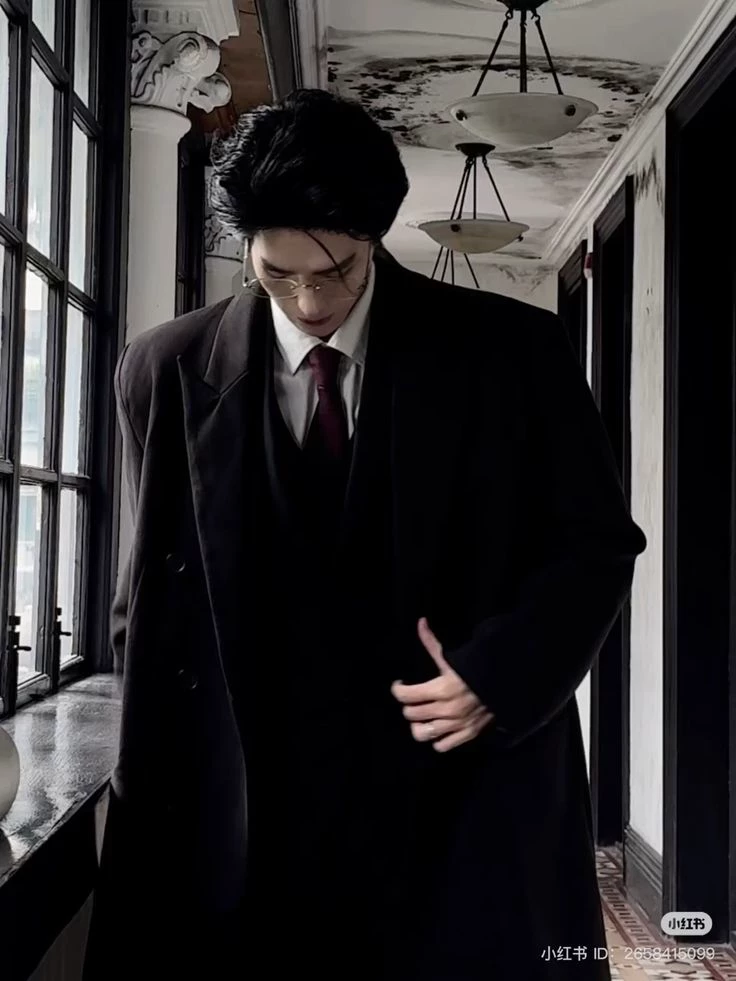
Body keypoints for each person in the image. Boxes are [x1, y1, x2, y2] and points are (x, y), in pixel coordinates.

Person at [83, 89, 646, 981]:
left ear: (374, 238)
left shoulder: (515, 353)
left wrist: (501, 674)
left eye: (336, 270)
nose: (309, 299)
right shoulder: (163, 366)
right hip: (245, 796)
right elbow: (145, 592)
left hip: (452, 788)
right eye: (277, 273)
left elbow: (597, 544)